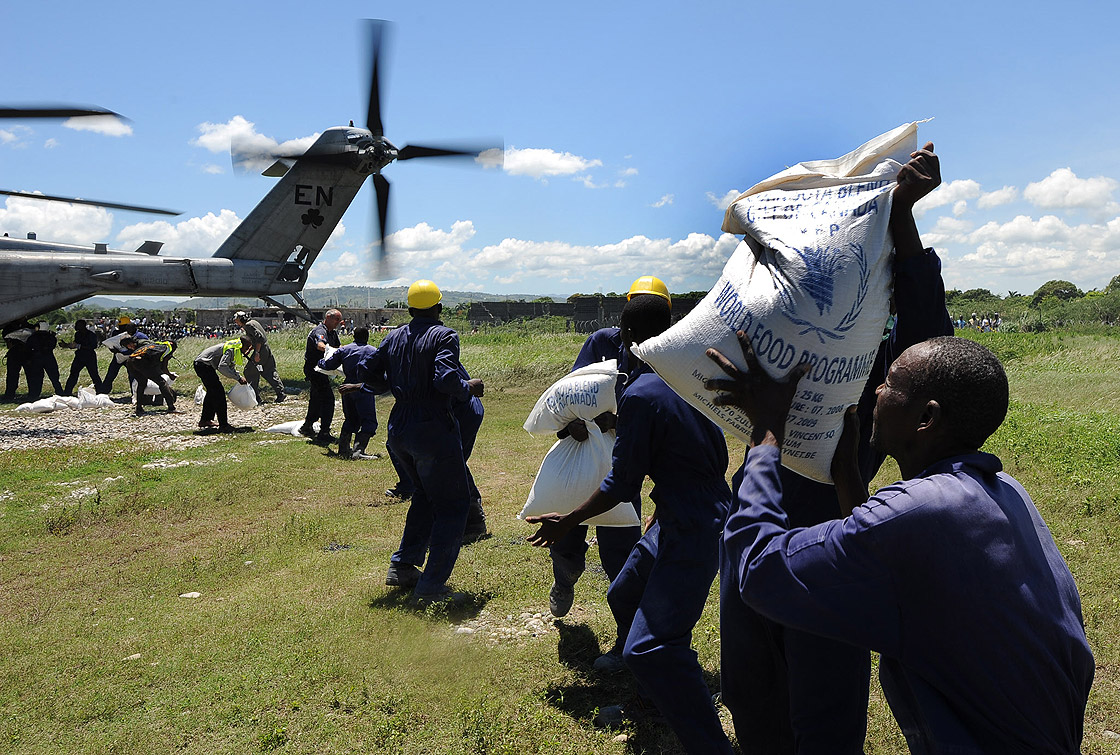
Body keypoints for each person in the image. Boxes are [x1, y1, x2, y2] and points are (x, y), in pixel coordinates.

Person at [707, 334, 1094, 753]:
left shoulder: (916, 513)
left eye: (890, 384)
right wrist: (847, 477)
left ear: (925, 418)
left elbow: (761, 571)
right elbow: (891, 562)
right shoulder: (1004, 490)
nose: (876, 390)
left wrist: (765, 438)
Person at [714, 142, 955, 753]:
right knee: (751, 690)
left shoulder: (882, 356)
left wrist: (900, 216)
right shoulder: (769, 325)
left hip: (828, 531)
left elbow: (933, 337)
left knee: (822, 708)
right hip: (752, 518)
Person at [527, 293, 734, 755]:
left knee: (654, 646)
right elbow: (710, 453)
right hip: (682, 512)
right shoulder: (683, 379)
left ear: (622, 335)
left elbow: (621, 483)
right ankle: (653, 686)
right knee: (623, 592)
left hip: (694, 525)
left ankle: (701, 735)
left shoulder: (639, 394)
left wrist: (569, 520)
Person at [546, 275, 667, 670]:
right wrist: (573, 424)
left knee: (622, 554)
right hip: (585, 452)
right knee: (567, 533)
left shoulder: (668, 354)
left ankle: (625, 640)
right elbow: (571, 392)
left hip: (626, 463)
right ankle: (565, 577)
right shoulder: (601, 343)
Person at [348, 280, 483, 604]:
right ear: (438, 308)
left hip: (399, 427)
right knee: (453, 506)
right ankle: (431, 586)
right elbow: (445, 378)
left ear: (409, 309)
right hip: (432, 426)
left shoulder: (393, 336)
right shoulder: (444, 335)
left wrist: (392, 385)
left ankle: (403, 566)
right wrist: (469, 387)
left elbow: (366, 369)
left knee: (423, 496)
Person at [384, 362, 490, 544]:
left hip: (459, 410)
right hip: (439, 412)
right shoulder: (405, 344)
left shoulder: (434, 342)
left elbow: (447, 380)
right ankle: (457, 521)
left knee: (450, 465)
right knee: (446, 465)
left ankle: (473, 523)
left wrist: (467, 386)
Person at [321, 326, 380, 460]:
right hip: (362, 387)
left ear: (353, 336)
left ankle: (343, 449)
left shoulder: (344, 349)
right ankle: (358, 451)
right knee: (368, 420)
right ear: (367, 337)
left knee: (350, 418)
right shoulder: (372, 351)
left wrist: (321, 361)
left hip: (347, 387)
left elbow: (328, 365)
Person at [300, 309, 342, 445]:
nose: (338, 323)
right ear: (328, 318)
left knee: (316, 397)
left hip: (323, 370)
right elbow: (320, 345)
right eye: (336, 319)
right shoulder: (320, 331)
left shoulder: (332, 333)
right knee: (328, 399)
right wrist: (331, 350)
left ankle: (307, 426)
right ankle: (324, 432)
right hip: (315, 370)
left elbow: (338, 347)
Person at [193, 335, 252, 431]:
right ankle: (223, 425)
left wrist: (239, 377)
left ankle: (205, 420)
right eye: (246, 348)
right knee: (219, 394)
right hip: (202, 365)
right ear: (241, 345)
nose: (248, 351)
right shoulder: (231, 349)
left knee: (212, 392)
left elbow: (230, 366)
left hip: (206, 366)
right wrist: (238, 378)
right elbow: (223, 367)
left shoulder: (235, 348)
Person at [234, 311, 286, 403]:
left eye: (237, 321)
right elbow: (256, 339)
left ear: (242, 319)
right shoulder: (254, 322)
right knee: (269, 371)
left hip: (261, 350)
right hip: (265, 349)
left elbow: (259, 338)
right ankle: (280, 393)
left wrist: (257, 353)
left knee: (249, 371)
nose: (237, 323)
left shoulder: (248, 326)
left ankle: (255, 397)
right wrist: (249, 350)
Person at [120, 336, 178, 416]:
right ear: (171, 343)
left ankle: (139, 408)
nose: (173, 351)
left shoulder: (155, 345)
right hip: (140, 362)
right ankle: (171, 408)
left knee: (142, 383)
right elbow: (164, 367)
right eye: (175, 348)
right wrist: (170, 375)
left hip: (130, 361)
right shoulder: (167, 348)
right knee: (162, 383)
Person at [101, 317, 147, 393]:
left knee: (132, 375)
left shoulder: (137, 335)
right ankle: (103, 392)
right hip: (118, 357)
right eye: (120, 326)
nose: (121, 327)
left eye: (123, 326)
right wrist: (113, 349)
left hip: (130, 358)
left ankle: (135, 393)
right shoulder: (116, 333)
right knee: (110, 374)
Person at [62, 319, 103, 395]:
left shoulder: (91, 335)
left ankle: (100, 391)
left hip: (89, 357)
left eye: (78, 325)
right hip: (80, 356)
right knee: (73, 374)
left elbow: (93, 346)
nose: (76, 327)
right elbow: (76, 344)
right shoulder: (77, 334)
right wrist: (67, 345)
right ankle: (67, 392)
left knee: (94, 374)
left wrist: (79, 346)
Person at [25, 322, 65, 400]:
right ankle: (60, 393)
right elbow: (52, 345)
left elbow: (28, 347)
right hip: (49, 357)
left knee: (37, 378)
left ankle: (34, 395)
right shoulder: (51, 336)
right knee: (54, 378)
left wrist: (29, 358)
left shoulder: (33, 337)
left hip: (37, 358)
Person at [2, 322, 33, 401]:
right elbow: (7, 340)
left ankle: (32, 394)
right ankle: (9, 395)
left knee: (30, 375)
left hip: (26, 354)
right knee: (12, 376)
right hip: (14, 354)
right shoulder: (9, 327)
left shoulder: (29, 326)